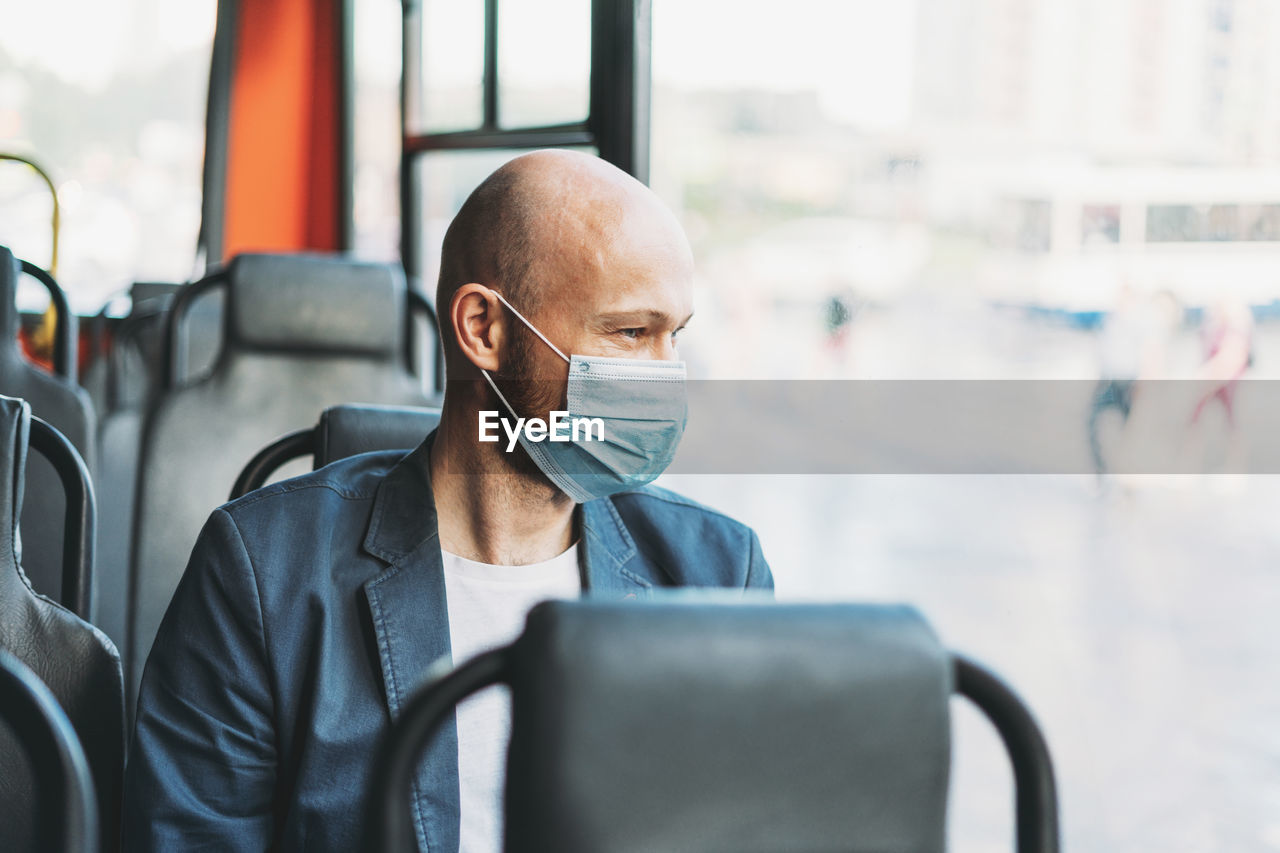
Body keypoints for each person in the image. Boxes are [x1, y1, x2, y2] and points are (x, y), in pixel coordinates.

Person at [122, 150, 774, 852]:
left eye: (674, 336)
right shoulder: (263, 573)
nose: (665, 376)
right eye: (630, 332)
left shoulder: (717, 574)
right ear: (484, 329)